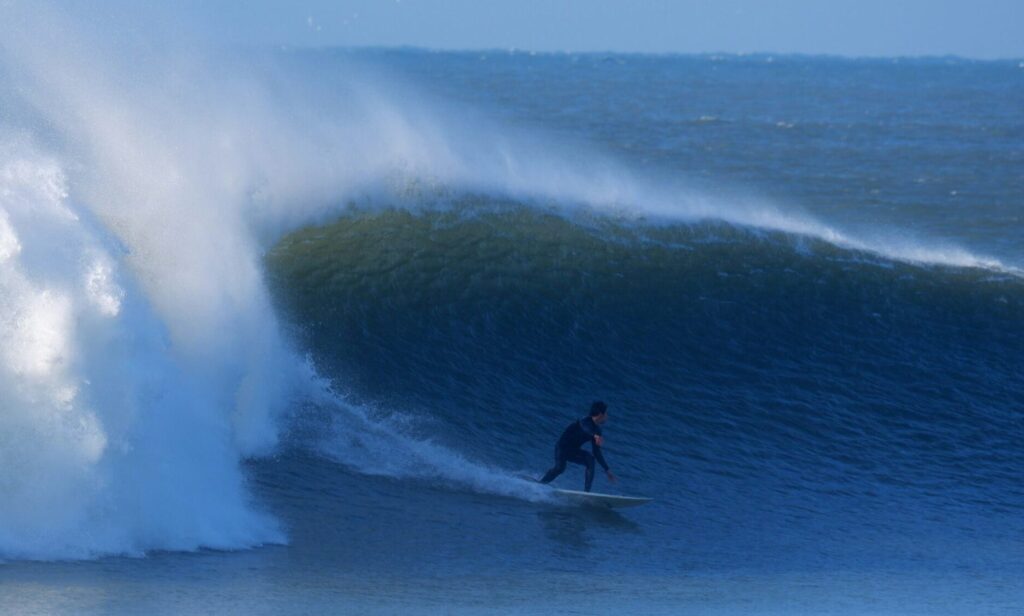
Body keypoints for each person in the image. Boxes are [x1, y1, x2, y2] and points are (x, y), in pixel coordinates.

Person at [538, 401, 618, 492]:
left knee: (590, 459)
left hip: (573, 451)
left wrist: (607, 470)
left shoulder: (598, 431)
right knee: (560, 468)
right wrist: (594, 435)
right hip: (562, 447)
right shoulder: (584, 421)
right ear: (600, 414)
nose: (607, 416)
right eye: (606, 413)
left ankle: (586, 493)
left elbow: (597, 452)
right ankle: (541, 484)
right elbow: (585, 428)